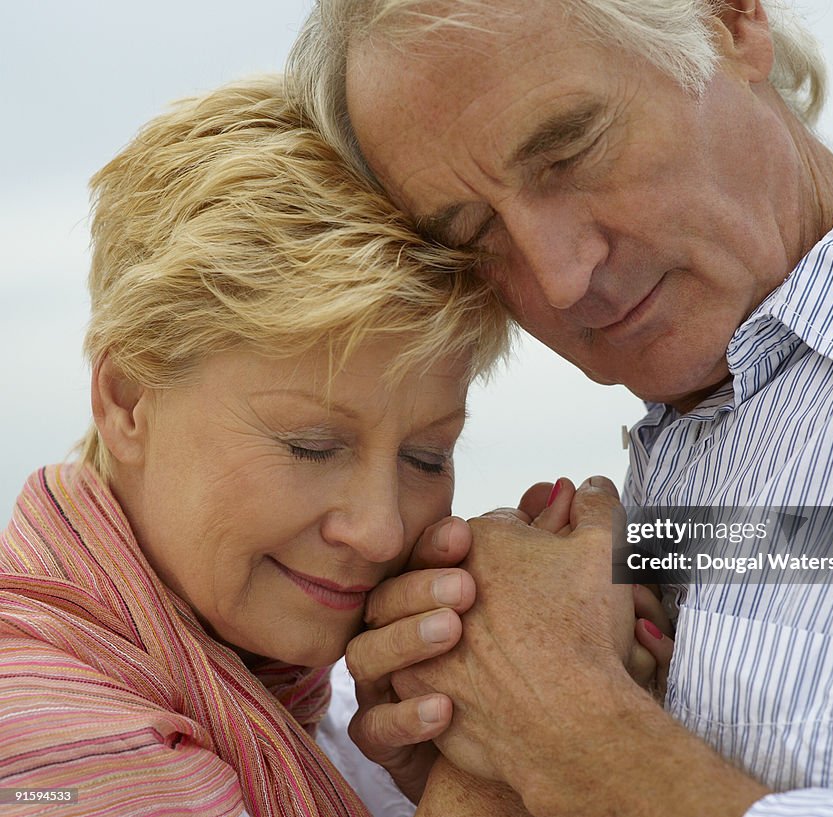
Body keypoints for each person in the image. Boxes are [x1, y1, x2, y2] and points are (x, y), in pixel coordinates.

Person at [286, 0, 833, 814]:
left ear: (731, 22)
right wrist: (486, 765)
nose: (561, 276)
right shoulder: (692, 452)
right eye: (473, 232)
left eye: (569, 150)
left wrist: (565, 731)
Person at [0, 74, 513, 816]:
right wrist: (492, 783)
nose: (382, 530)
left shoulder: (312, 705)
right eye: (311, 446)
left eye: (427, 457)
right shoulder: (58, 749)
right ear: (127, 399)